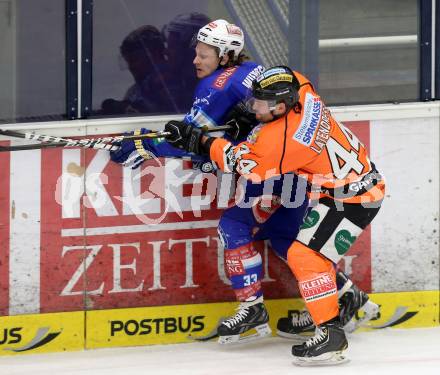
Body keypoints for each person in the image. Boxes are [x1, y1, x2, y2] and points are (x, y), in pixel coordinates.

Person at [162, 65, 385, 365]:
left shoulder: (283, 140)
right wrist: (256, 125)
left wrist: (201, 141)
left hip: (353, 198)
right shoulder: (303, 90)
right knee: (300, 250)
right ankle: (338, 304)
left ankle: (331, 335)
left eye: (261, 104)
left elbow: (240, 163)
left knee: (305, 256)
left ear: (281, 106)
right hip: (349, 186)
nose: (253, 106)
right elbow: (285, 77)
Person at [101, 25, 184, 115]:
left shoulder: (171, 83)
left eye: (134, 60)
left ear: (154, 55)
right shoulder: (134, 91)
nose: (131, 66)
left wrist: (133, 108)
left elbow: (168, 114)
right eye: (128, 61)